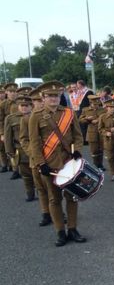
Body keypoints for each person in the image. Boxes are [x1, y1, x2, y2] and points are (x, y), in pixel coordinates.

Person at [28, 81, 86, 246]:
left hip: (69, 162)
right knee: (54, 199)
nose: (54, 98)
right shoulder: (36, 116)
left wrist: (78, 150)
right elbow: (34, 143)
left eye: (56, 95)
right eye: (50, 96)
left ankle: (73, 229)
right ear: (44, 98)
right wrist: (41, 163)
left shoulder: (68, 112)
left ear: (60, 97)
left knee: (72, 196)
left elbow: (77, 136)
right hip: (50, 164)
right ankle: (60, 231)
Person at [21, 88, 52, 226]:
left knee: (53, 188)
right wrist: (33, 153)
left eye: (40, 100)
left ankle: (57, 211)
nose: (38, 103)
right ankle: (46, 213)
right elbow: (24, 139)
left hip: (52, 157)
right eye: (35, 101)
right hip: (36, 159)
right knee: (41, 188)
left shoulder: (50, 116)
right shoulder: (27, 119)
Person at [5, 93, 35, 200]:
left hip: (36, 150)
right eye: (22, 105)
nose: (24, 107)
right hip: (20, 151)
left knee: (37, 174)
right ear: (18, 106)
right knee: (26, 175)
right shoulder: (11, 118)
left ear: (31, 106)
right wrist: (9, 151)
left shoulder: (36, 116)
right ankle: (30, 194)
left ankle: (41, 191)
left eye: (26, 105)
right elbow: (8, 136)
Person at [78, 95, 106, 170]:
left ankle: (100, 164)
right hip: (91, 132)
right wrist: (88, 119)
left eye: (97, 104)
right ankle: (95, 165)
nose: (96, 106)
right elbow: (80, 119)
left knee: (101, 149)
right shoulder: (85, 110)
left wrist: (99, 120)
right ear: (90, 103)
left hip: (101, 132)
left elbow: (106, 118)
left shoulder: (103, 110)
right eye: (94, 104)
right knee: (94, 150)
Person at [0, 83, 19, 173]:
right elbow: (1, 120)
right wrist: (2, 133)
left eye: (14, 91)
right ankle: (5, 165)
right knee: (4, 148)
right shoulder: (3, 104)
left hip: (17, 128)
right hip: (6, 128)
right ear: (7, 92)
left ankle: (15, 169)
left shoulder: (20, 103)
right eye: (10, 91)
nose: (13, 93)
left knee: (17, 147)